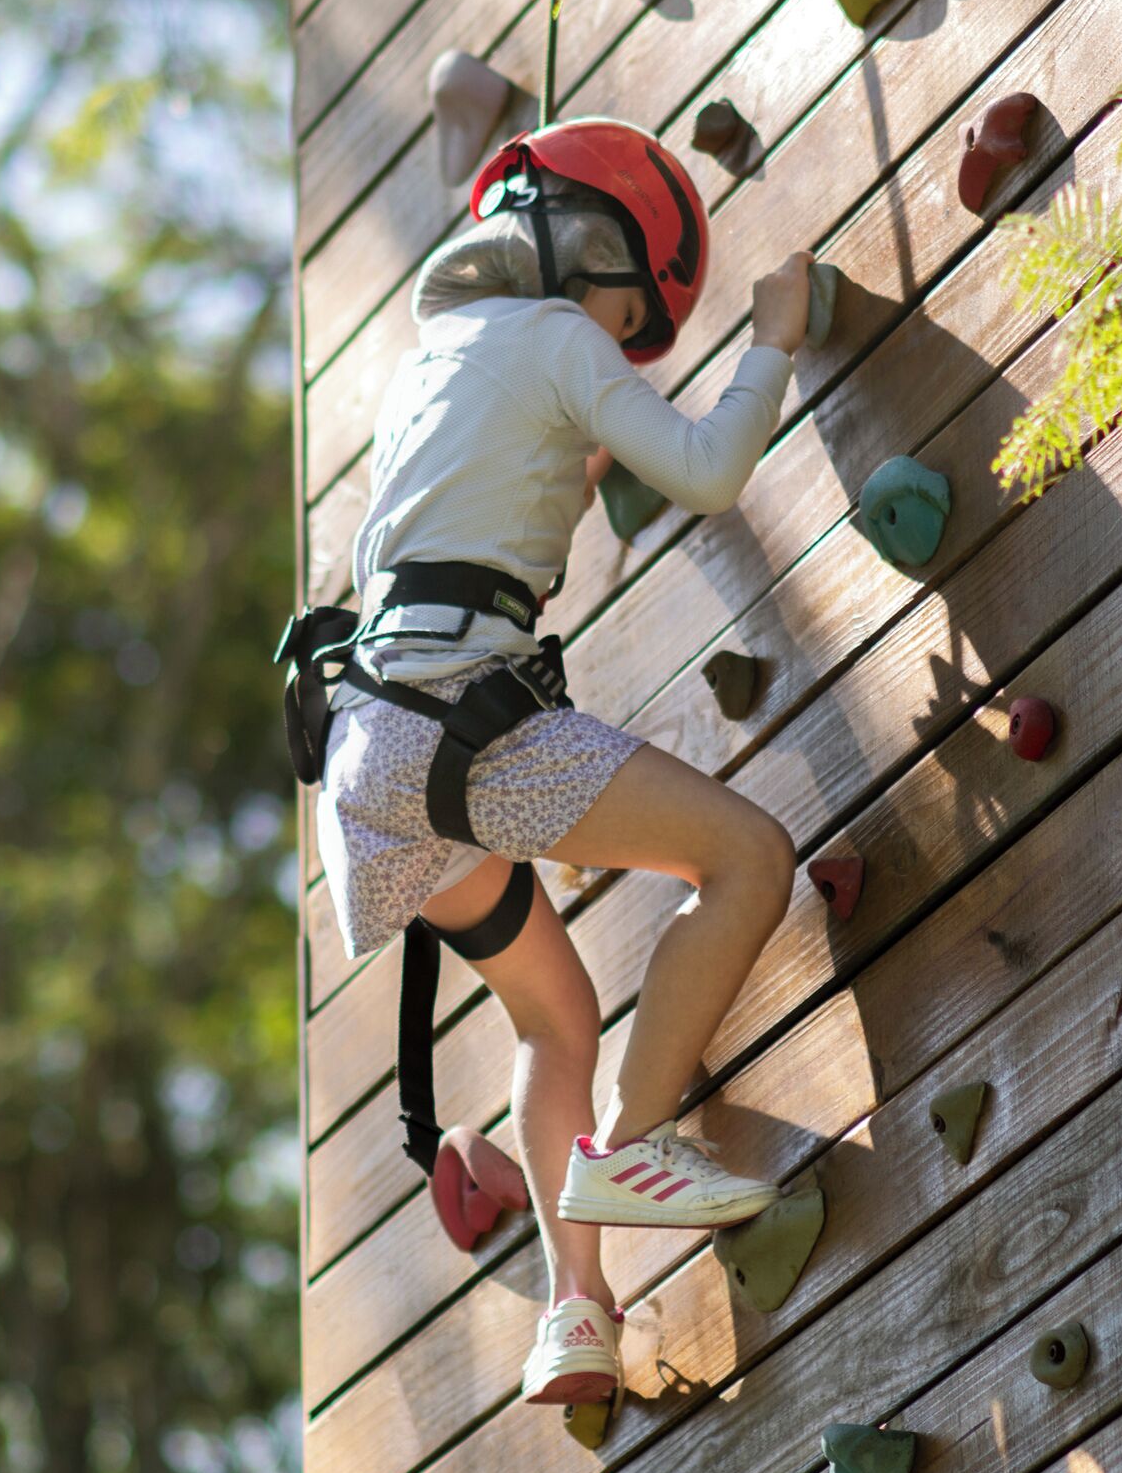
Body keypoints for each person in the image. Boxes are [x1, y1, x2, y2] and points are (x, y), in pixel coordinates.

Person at [301, 118, 811, 1406]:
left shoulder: (429, 368)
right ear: (578, 245)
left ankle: (575, 1311)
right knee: (747, 858)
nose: (621, 327)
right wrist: (775, 338)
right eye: (622, 296)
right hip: (463, 721)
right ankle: (629, 1147)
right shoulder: (557, 338)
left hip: (364, 765)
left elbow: (522, 487)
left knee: (553, 1015)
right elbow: (703, 471)